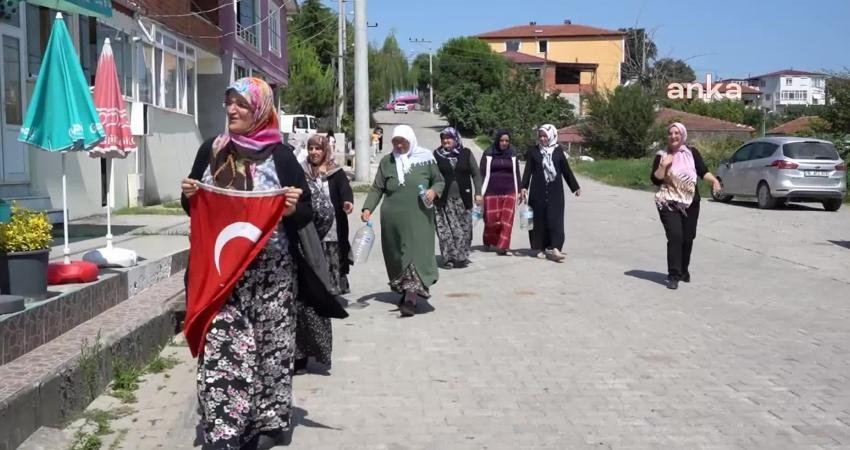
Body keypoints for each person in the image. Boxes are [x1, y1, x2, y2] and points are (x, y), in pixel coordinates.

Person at [180, 77, 338, 450]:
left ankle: (269, 423)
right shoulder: (213, 150)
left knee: (271, 348)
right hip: (223, 275)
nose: (232, 110)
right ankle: (223, 428)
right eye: (229, 102)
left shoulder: (282, 157)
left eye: (241, 104)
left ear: (260, 110)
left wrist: (291, 209)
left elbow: (311, 213)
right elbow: (196, 207)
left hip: (273, 276)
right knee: (222, 345)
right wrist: (188, 196)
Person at [361, 125, 445, 317]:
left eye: (403, 142)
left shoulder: (426, 159)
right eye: (395, 142)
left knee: (413, 255)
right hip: (392, 220)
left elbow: (439, 181)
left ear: (411, 141)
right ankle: (407, 290)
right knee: (397, 255)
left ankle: (410, 298)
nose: (399, 145)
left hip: (419, 219)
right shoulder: (386, 162)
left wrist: (434, 191)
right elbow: (377, 188)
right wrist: (367, 208)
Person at [294, 134, 354, 372]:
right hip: (304, 238)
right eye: (310, 148)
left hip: (330, 232)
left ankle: (330, 293)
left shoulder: (334, 171)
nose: (314, 152)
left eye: (318, 148)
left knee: (328, 270)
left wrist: (347, 203)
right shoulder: (300, 173)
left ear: (325, 150)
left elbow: (345, 192)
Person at [651, 122, 722, 290]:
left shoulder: (692, 153)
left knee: (688, 237)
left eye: (677, 133)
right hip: (668, 201)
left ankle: (683, 269)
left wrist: (715, 182)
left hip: (691, 202)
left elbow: (703, 171)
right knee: (675, 236)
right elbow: (655, 179)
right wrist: (664, 165)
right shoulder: (661, 155)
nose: (673, 136)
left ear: (682, 136)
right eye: (670, 133)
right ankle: (673, 274)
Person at [521, 124, 581, 262]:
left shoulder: (558, 151)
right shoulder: (533, 151)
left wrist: (575, 187)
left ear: (551, 136)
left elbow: (566, 170)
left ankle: (555, 248)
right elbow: (528, 171)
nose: (542, 139)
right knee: (538, 220)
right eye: (540, 136)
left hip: (556, 192)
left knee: (556, 220)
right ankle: (540, 248)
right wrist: (523, 187)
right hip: (537, 191)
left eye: (545, 136)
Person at [433, 127, 482, 268]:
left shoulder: (466, 153)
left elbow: (476, 174)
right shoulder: (436, 155)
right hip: (443, 200)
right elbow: (431, 175)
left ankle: (461, 257)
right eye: (443, 138)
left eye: (449, 137)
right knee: (445, 231)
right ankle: (449, 258)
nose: (445, 140)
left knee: (464, 230)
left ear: (456, 139)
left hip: (463, 198)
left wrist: (478, 192)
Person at [480, 129, 522, 255]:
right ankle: (489, 239)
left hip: (509, 191)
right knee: (491, 220)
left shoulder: (513, 153)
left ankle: (503, 246)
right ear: (497, 140)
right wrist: (479, 192)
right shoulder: (488, 153)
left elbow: (517, 173)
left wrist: (519, 190)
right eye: (502, 140)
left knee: (507, 220)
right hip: (491, 191)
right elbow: (481, 173)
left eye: (507, 141)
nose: (504, 143)